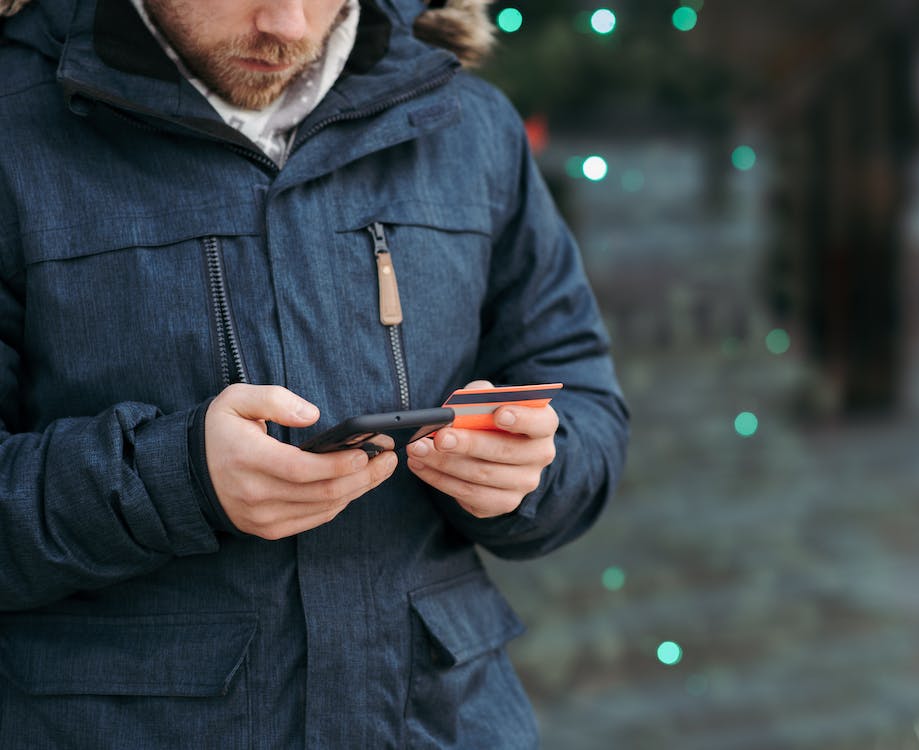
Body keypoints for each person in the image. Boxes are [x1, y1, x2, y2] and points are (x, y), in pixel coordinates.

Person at [0, 0, 629, 746]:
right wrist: (176, 481)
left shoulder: (469, 123)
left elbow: (583, 399)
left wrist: (529, 471)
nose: (289, 24)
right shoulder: (14, 128)